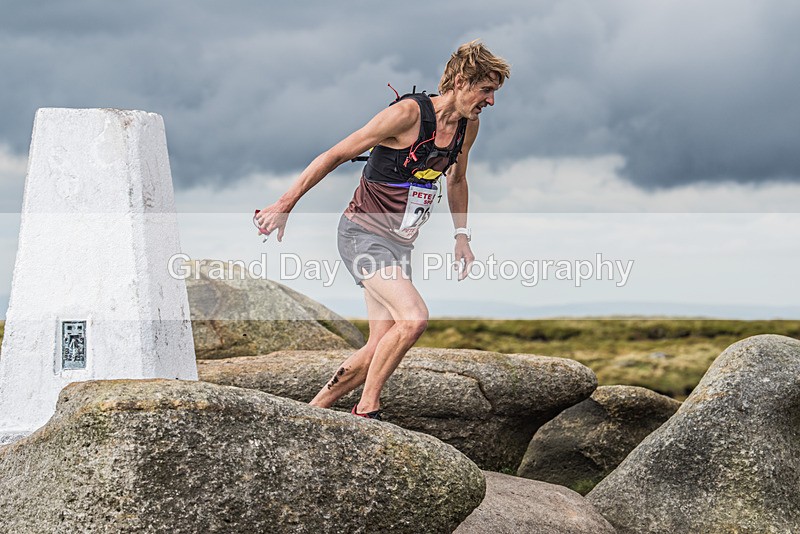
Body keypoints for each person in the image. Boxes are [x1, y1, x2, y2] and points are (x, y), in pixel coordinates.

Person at [255, 40, 510, 420]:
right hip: (361, 234)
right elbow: (336, 154)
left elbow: (457, 180)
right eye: (485, 90)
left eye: (494, 93)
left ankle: (309, 415)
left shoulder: (467, 128)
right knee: (414, 318)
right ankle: (368, 408)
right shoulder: (407, 114)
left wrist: (462, 236)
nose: (490, 101)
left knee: (379, 344)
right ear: (459, 81)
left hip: (399, 244)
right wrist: (285, 203)